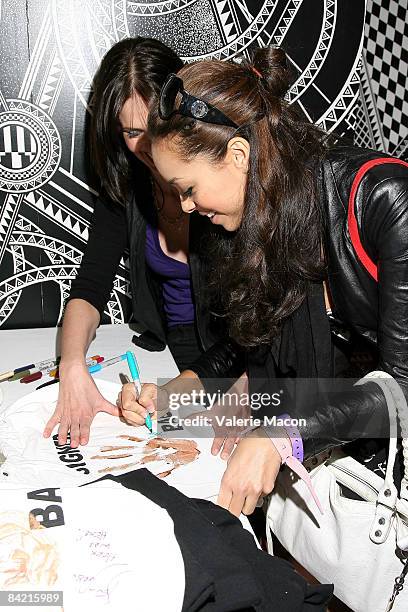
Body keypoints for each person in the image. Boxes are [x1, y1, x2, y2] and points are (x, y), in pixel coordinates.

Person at [117, 45, 408, 518]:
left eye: (188, 189)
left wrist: (281, 435)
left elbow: (403, 387)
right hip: (346, 448)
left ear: (237, 154)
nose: (186, 208)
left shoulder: (383, 201)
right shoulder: (256, 216)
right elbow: (248, 341)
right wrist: (176, 394)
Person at [43, 37, 241, 449]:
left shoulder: (225, 184)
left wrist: (190, 391)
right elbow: (91, 283)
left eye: (156, 126)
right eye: (133, 132)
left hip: (234, 356)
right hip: (166, 350)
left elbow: (257, 331)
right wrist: (73, 366)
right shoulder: (127, 184)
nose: (148, 146)